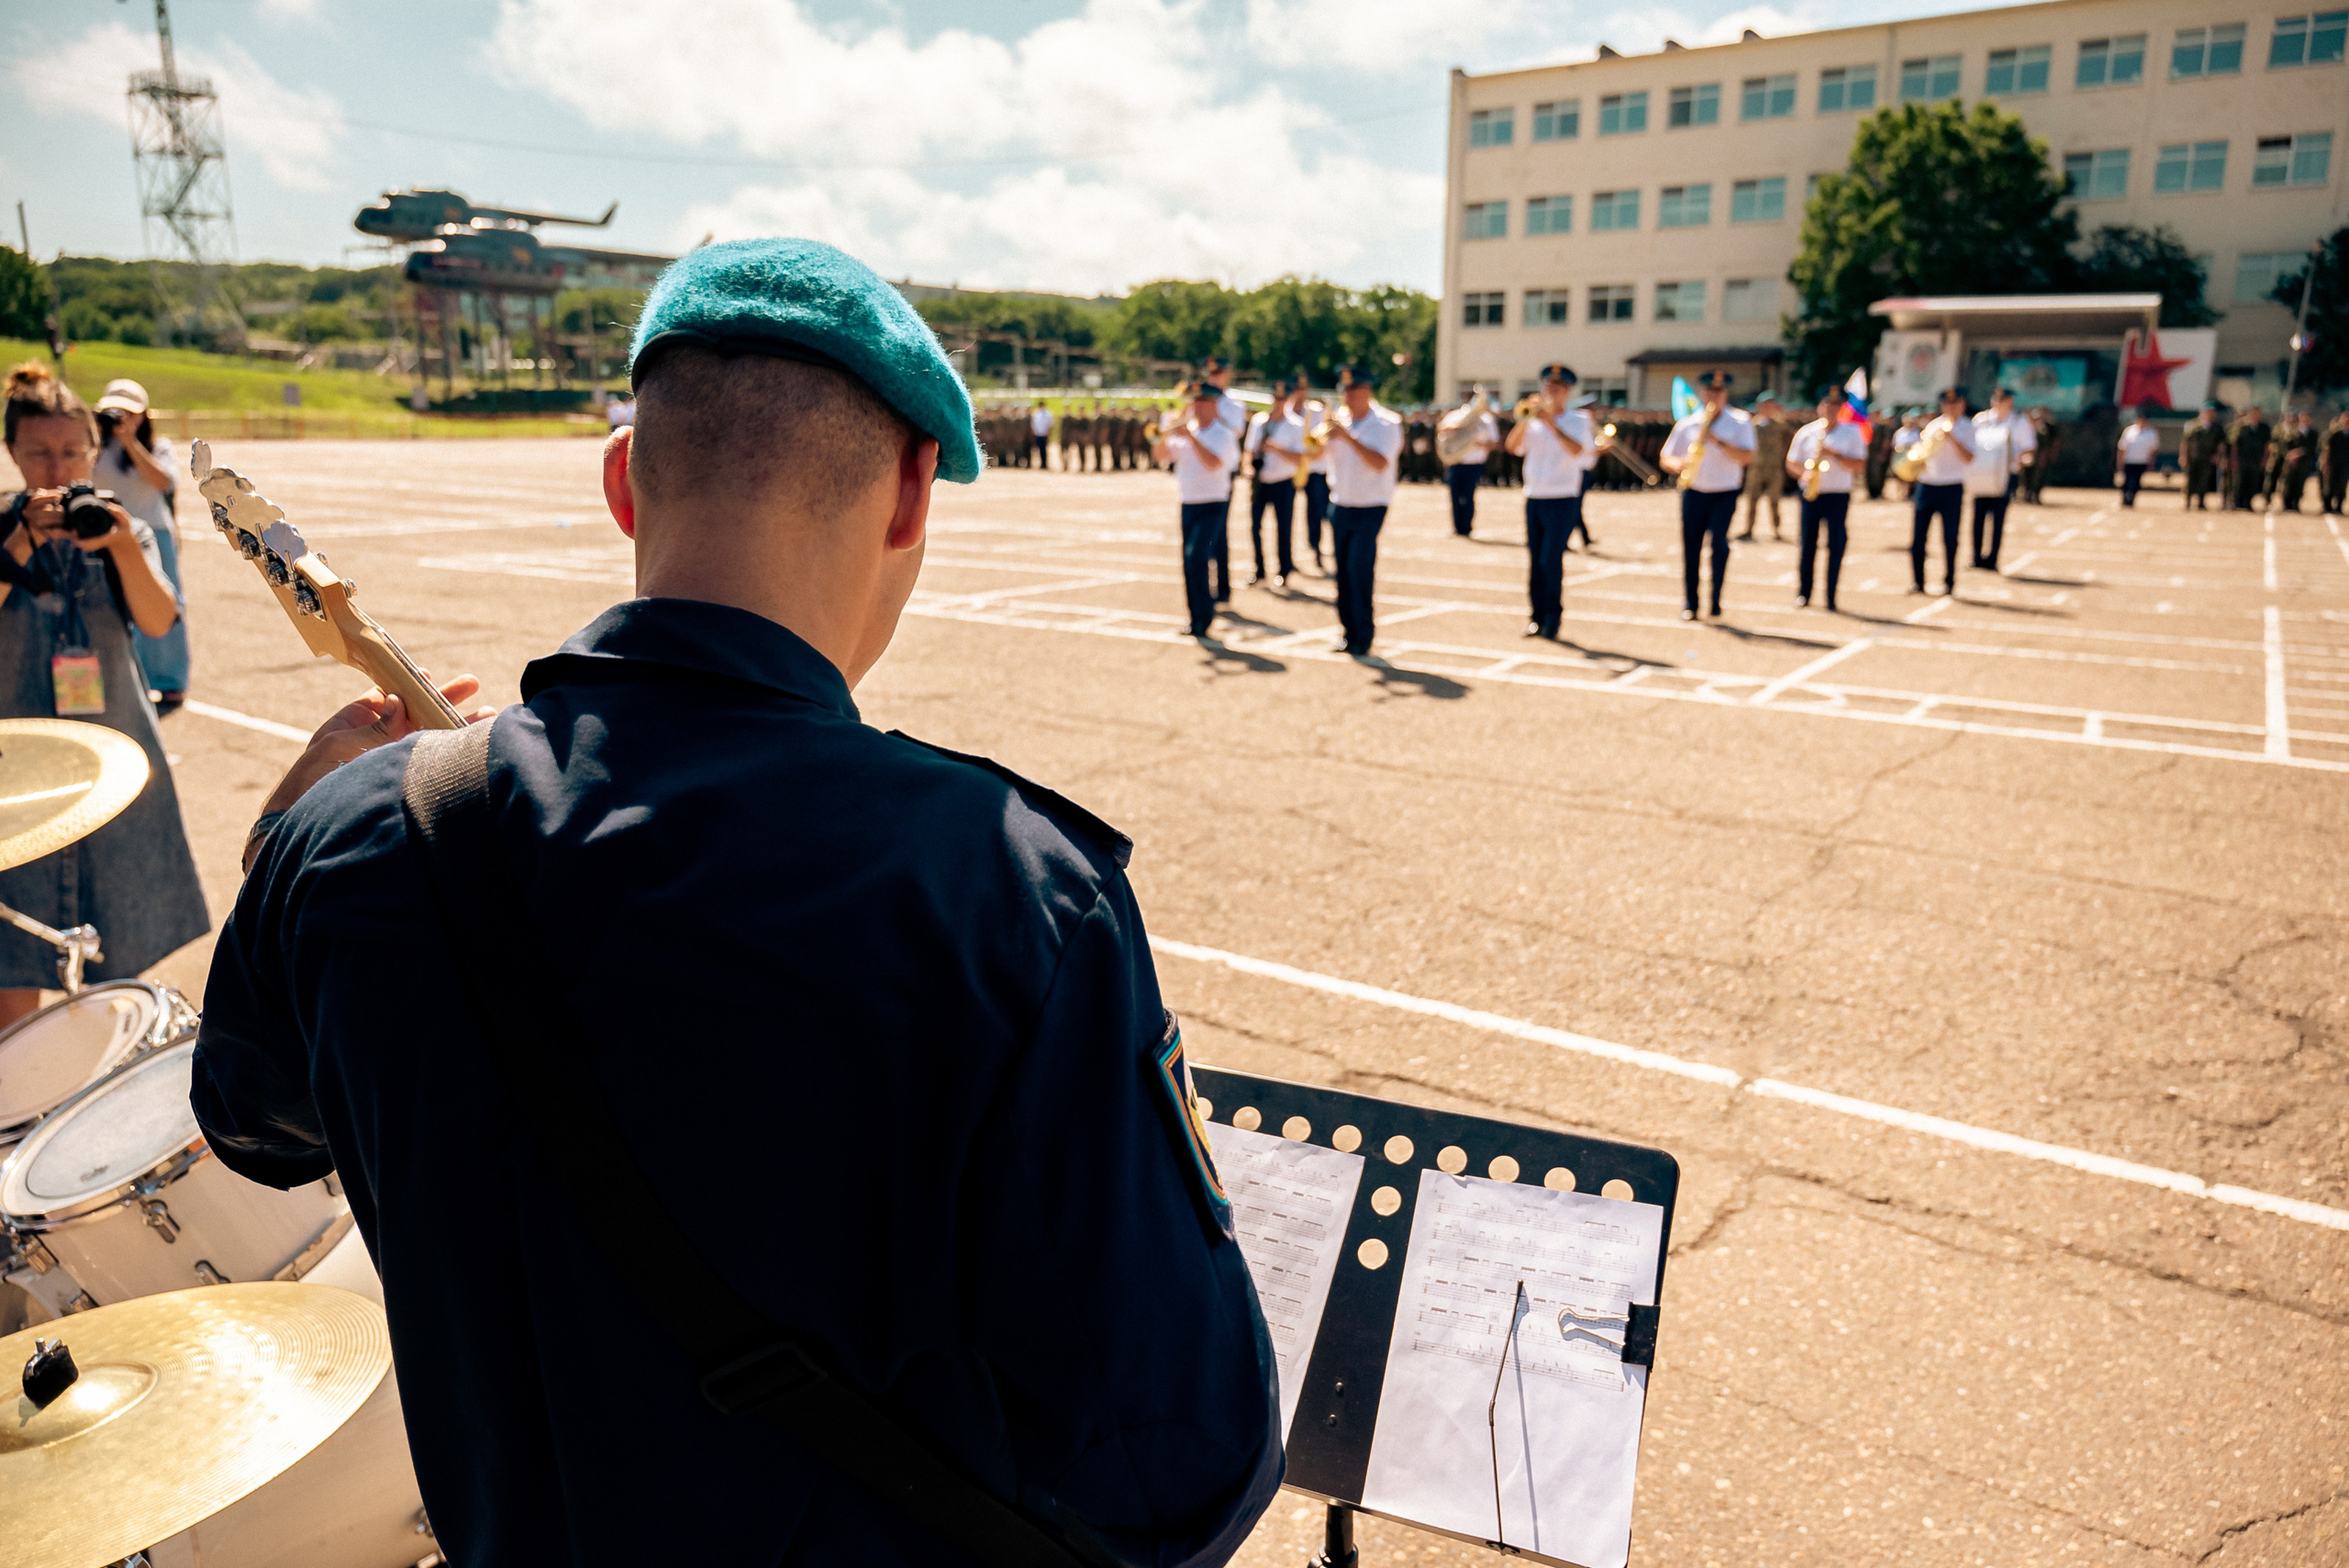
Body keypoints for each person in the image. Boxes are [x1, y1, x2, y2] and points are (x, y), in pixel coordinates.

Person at [188, 239, 1283, 1567]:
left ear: (619, 480)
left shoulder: (352, 837)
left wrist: (289, 830)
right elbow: (1182, 1467)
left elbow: (256, 1124)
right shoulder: (1013, 889)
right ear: (911, 495)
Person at [0, 363, 207, 1028]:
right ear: (12, 453)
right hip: (18, 780)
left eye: (70, 451)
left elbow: (157, 619)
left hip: (114, 770)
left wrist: (119, 542)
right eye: (38, 452)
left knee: (122, 962)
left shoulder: (122, 528)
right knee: (13, 972)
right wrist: (21, 541)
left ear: (92, 451)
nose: (56, 468)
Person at [91, 378, 192, 708]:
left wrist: (131, 442)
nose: (120, 418)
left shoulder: (156, 446)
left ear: (143, 416)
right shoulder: (95, 446)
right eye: (113, 412)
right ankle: (132, 678)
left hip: (152, 532)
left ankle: (169, 679)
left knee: (164, 605)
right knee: (114, 607)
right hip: (106, 533)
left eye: (129, 413)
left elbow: (162, 481)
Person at [1502, 364, 1596, 639]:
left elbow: (1579, 450)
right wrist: (1524, 421)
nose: (1550, 392)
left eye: (1556, 388)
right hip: (1534, 496)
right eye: (1547, 387)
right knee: (1534, 560)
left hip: (1563, 497)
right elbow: (1512, 447)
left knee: (1550, 560)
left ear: (1566, 392)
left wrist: (1552, 425)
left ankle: (1553, 617)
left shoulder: (1578, 420)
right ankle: (1536, 617)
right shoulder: (1532, 420)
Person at [1657, 371, 1755, 621]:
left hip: (1725, 491)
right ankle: (1691, 601)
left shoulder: (1740, 421)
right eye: (1709, 391)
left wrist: (1718, 442)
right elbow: (1666, 456)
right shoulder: (1688, 423)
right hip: (1694, 490)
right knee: (1691, 547)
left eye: (1718, 392)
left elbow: (1747, 457)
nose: (1713, 395)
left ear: (1726, 394)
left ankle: (1715, 600)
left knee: (1719, 544)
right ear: (1702, 393)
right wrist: (1678, 464)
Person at [1323, 366, 1401, 656]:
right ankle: (1348, 632)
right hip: (1340, 503)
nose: (1347, 396)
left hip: (1371, 505)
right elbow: (1317, 457)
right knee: (1342, 573)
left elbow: (1380, 462)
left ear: (1367, 391)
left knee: (1359, 568)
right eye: (1344, 391)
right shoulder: (1338, 423)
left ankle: (1364, 635)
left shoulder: (1386, 423)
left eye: (1353, 390)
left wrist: (1347, 438)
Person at [1157, 382, 1241, 635]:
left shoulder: (1223, 434)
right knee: (1188, 561)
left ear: (1213, 405)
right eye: (1195, 402)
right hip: (1188, 503)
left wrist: (1191, 437)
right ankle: (1195, 618)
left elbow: (1214, 463)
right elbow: (1161, 456)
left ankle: (1205, 615)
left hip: (1213, 504)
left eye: (1202, 402)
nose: (1196, 407)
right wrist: (1164, 433)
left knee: (1198, 556)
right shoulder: (1185, 433)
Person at [1785, 384, 1869, 611]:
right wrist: (1805, 473)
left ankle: (1831, 596)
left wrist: (1835, 455)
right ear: (1820, 407)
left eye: (1835, 405)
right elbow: (1791, 462)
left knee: (1836, 545)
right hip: (1811, 494)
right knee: (1807, 544)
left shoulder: (1851, 432)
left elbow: (1859, 464)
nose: (1830, 409)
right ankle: (1804, 593)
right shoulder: (1806, 432)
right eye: (1827, 404)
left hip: (1838, 495)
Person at [1908, 387, 1976, 596]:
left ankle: (1949, 581)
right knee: (1918, 538)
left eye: (1955, 403)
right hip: (1927, 485)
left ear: (1962, 405)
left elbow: (1969, 458)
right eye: (1947, 404)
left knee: (1950, 538)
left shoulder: (1967, 427)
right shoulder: (1932, 426)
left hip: (1952, 487)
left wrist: (1952, 438)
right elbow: (1921, 454)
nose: (1951, 407)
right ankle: (1918, 582)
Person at [1242, 381, 1303, 586]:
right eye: (1276, 399)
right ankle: (1259, 568)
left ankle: (1284, 569)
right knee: (1254, 526)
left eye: (1282, 399)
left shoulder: (1296, 425)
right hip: (1260, 481)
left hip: (1283, 482)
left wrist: (1276, 449)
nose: (1278, 403)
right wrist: (1248, 469)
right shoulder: (1260, 421)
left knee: (1283, 527)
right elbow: (1249, 450)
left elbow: (1300, 458)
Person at [1968, 387, 2033, 570]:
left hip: (2006, 474)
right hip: (1981, 474)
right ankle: (1976, 556)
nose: (2003, 403)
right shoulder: (1981, 420)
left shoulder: (2019, 422)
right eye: (2000, 399)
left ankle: (1993, 559)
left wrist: (2020, 458)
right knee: (1978, 517)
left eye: (2006, 400)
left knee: (1998, 519)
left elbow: (2029, 447)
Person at [1437, 391, 1499, 537]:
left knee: (1468, 495)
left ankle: (1466, 526)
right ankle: (1457, 527)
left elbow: (1494, 443)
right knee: (1455, 495)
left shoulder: (1486, 419)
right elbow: (1441, 430)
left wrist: (1478, 444)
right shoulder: (1455, 416)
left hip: (1474, 463)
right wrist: (1456, 429)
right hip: (1455, 461)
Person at [1737, 395, 1792, 542]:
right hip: (1756, 467)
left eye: (1771, 405)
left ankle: (1777, 530)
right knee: (1752, 500)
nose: (1768, 409)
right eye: (1765, 405)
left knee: (1774, 500)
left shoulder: (1781, 425)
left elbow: (1790, 441)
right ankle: (1748, 529)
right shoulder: (1751, 425)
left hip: (1774, 467)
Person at [1296, 374, 1332, 573]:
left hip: (1316, 470)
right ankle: (1312, 546)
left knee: (1320, 511)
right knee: (1307, 513)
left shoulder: (1314, 411)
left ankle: (1318, 547)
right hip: (1297, 469)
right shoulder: (1288, 414)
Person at [2183, 402, 2225, 511]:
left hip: (2207, 459)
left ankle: (2201, 501)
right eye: (2207, 412)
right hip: (2193, 457)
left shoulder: (2217, 428)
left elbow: (2221, 445)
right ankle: (2188, 501)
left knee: (2204, 480)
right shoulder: (2192, 425)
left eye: (2211, 412)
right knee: (2191, 480)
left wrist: (2218, 456)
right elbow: (2185, 442)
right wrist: (2183, 456)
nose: (2209, 414)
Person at [2116, 405, 2160, 508]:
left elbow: (2154, 450)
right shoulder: (2129, 431)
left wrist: (2151, 462)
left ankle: (2131, 499)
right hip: (2129, 460)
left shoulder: (2151, 433)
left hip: (2142, 461)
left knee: (2136, 482)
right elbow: (2122, 447)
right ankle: (2125, 499)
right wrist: (2120, 461)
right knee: (2127, 481)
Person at [2228, 405, 2269, 511]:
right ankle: (2237, 502)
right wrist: (2234, 458)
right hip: (2242, 459)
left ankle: (2248, 502)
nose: (2255, 415)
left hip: (2256, 459)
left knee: (2253, 482)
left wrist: (2265, 459)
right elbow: (2234, 444)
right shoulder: (2241, 427)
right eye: (2252, 412)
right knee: (2240, 481)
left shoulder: (2264, 428)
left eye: (2257, 413)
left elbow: (2267, 445)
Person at [2276, 411, 2317, 512]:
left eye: (2307, 418)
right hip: (2290, 463)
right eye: (2303, 418)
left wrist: (2299, 453)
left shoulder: (2313, 434)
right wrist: (2290, 455)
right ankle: (2286, 503)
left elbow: (2312, 448)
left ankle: (2296, 502)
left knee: (2300, 484)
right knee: (2288, 483)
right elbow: (2285, 445)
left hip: (2304, 463)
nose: (2305, 420)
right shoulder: (2292, 432)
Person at [2321, 410, 2349, 517]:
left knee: (2342, 486)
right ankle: (2327, 505)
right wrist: (2325, 463)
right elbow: (2326, 449)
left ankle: (2339, 506)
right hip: (2333, 464)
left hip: (2345, 465)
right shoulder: (2334, 434)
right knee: (2329, 485)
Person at [1028, 401, 1052, 469]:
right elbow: (1033, 424)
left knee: (1043, 450)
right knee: (1036, 450)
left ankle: (1044, 463)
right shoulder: (1036, 414)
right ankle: (1038, 463)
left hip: (1044, 434)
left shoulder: (1047, 414)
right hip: (1037, 434)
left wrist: (1048, 434)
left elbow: (1049, 425)